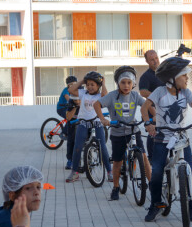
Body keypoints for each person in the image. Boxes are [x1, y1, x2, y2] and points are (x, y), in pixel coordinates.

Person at [141, 57, 192, 222]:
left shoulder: (186, 92)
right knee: (157, 170)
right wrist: (147, 124)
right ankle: (155, 204)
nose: (187, 78)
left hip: (181, 137)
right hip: (162, 137)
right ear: (172, 79)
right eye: (184, 75)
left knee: (190, 170)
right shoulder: (160, 91)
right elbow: (145, 108)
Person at [95, 66, 147, 201]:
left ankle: (151, 183)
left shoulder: (135, 95)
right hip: (118, 132)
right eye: (123, 82)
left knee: (143, 156)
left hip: (133, 129)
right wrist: (103, 118)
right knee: (117, 161)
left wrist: (153, 119)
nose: (126, 86)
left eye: (129, 83)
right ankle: (116, 187)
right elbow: (97, 104)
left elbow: (147, 106)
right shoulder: (112, 96)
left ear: (133, 84)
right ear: (118, 83)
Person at [66, 72, 112, 183]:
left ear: (98, 86)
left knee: (102, 147)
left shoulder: (99, 95)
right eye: (88, 84)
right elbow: (71, 90)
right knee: (77, 146)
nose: (90, 87)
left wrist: (103, 83)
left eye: (93, 85)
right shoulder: (83, 93)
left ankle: (110, 172)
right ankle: (74, 172)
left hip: (97, 122)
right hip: (83, 122)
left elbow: (105, 94)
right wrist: (82, 80)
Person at [139, 49, 165, 177]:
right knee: (153, 134)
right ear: (147, 61)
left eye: (156, 58)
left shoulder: (164, 73)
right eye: (152, 59)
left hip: (166, 111)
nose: (155, 61)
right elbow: (143, 91)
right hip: (151, 110)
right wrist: (157, 96)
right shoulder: (146, 76)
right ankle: (151, 158)